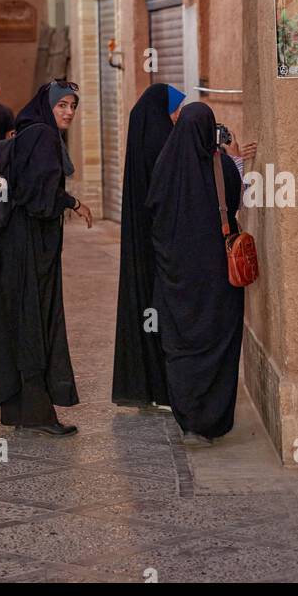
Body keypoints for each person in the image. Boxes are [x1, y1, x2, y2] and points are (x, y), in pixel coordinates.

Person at [0, 80, 93, 437]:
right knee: (34, 322)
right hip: (26, 249)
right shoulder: (43, 138)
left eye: (72, 106)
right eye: (62, 105)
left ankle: (23, 409)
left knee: (19, 322)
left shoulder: (29, 133)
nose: (68, 112)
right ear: (47, 107)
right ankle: (37, 414)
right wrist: (70, 203)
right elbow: (38, 198)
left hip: (10, 246)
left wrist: (66, 201)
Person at [147, 101, 245, 445]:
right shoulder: (222, 169)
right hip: (217, 278)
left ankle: (188, 420)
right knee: (219, 342)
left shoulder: (164, 168)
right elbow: (234, 203)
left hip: (177, 279)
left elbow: (154, 217)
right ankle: (212, 421)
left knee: (180, 345)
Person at [112, 82, 186, 410]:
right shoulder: (162, 142)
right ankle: (163, 387)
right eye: (174, 109)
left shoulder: (145, 137)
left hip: (143, 242)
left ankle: (148, 386)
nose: (177, 116)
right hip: (161, 243)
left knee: (147, 310)